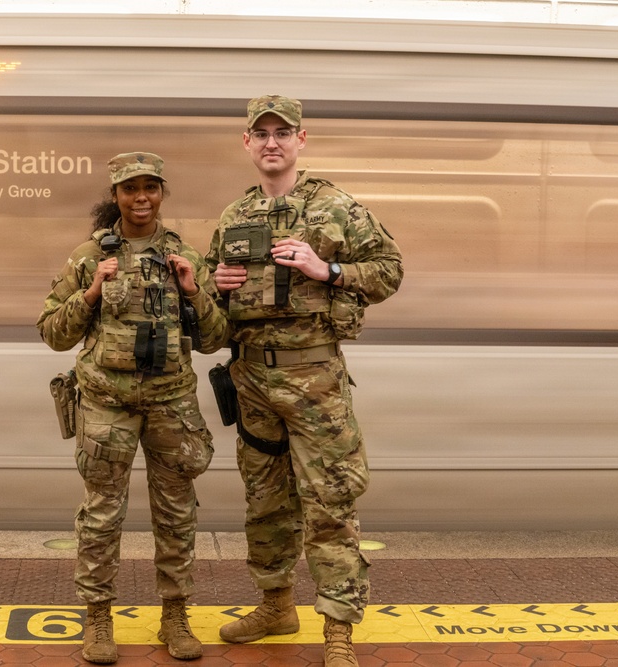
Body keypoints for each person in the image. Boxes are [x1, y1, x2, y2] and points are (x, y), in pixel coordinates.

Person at [206, 95, 404, 666]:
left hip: (315, 381)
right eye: (261, 133)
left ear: (301, 140)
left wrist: (328, 269)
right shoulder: (233, 217)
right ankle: (277, 604)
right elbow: (215, 319)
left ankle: (338, 629)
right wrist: (214, 288)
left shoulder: (336, 208)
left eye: (282, 132)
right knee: (265, 503)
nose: (272, 142)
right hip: (252, 381)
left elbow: (389, 271)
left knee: (329, 504)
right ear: (247, 143)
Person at [37, 152, 230, 664]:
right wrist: (93, 293)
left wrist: (193, 291)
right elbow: (52, 333)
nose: (140, 198)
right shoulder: (87, 257)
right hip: (106, 403)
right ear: (116, 195)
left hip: (171, 404)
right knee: (101, 514)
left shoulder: (184, 255)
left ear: (162, 192)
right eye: (130, 189)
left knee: (176, 514)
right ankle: (98, 619)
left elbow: (215, 339)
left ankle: (175, 614)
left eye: (150, 188)